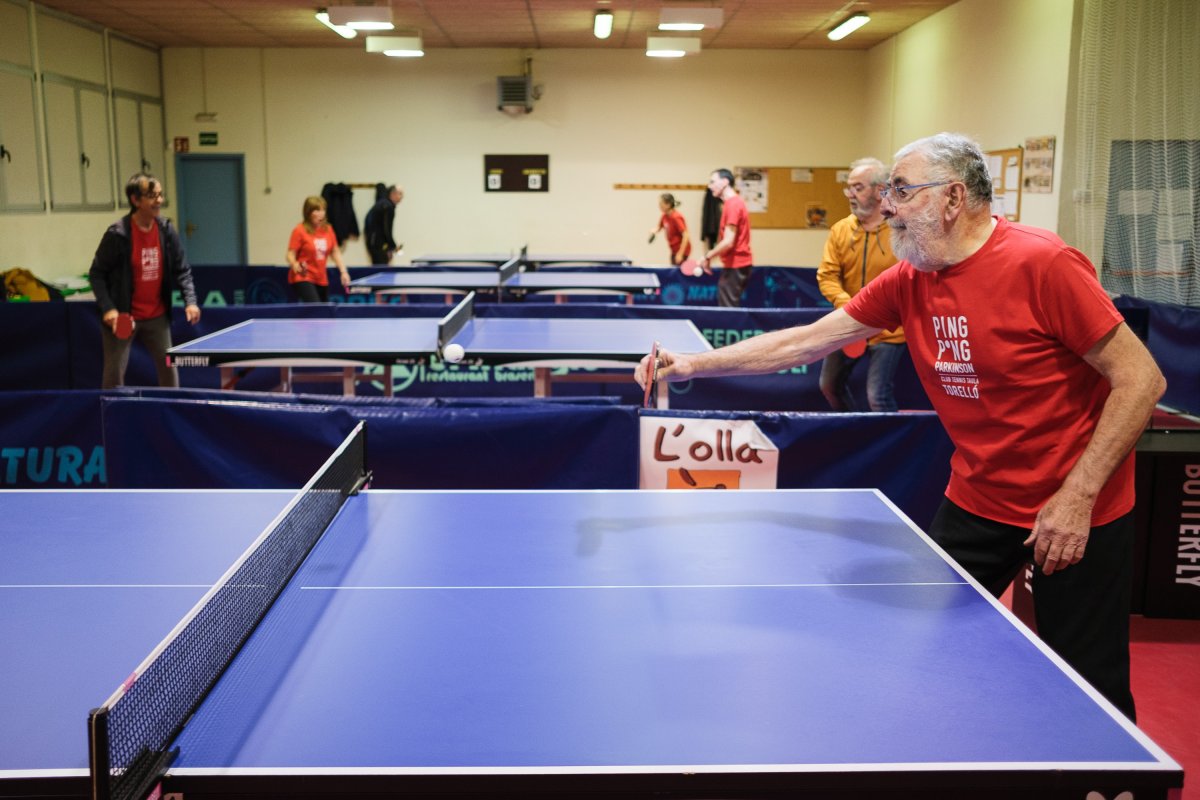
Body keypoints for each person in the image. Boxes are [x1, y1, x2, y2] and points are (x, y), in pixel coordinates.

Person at [636, 133, 1165, 720]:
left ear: (954, 197)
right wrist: (692, 364)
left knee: (1089, 680)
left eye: (902, 190)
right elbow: (807, 341)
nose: (885, 205)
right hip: (978, 500)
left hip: (1077, 507)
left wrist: (1078, 495)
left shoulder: (1043, 263)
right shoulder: (912, 277)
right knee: (922, 644)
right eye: (888, 190)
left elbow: (1141, 380)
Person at [89, 172, 201, 388]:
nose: (158, 200)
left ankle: (171, 410)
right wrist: (108, 309)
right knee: (114, 375)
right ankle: (112, 415)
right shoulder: (118, 234)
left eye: (160, 195)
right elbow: (97, 273)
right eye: (151, 196)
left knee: (169, 370)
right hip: (123, 316)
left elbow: (182, 269)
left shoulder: (166, 230)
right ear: (135, 200)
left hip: (156, 316)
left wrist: (191, 301)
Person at [817, 157, 904, 411]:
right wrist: (847, 304)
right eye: (849, 188)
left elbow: (911, 275)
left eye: (858, 187)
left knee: (877, 396)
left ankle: (886, 447)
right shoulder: (840, 230)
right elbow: (827, 275)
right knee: (829, 385)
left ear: (880, 191)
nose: (850, 194)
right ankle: (855, 432)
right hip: (848, 322)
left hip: (889, 329)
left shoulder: (900, 230)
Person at [699, 168, 753, 307]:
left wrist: (707, 256)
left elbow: (729, 241)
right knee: (728, 306)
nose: (709, 186)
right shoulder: (730, 204)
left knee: (728, 310)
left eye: (712, 182)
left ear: (724, 182)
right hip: (734, 263)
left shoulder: (733, 204)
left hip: (737, 264)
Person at [286, 195, 350, 302]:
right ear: (308, 213)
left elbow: (335, 252)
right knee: (316, 308)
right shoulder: (299, 230)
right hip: (303, 277)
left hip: (321, 278)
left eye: (323, 210)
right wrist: (294, 264)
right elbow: (290, 254)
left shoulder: (328, 229)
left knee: (322, 313)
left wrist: (343, 272)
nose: (321, 214)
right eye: (317, 210)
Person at [364, 184, 404, 265]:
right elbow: (387, 229)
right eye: (400, 193)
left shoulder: (383, 203)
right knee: (381, 267)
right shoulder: (388, 206)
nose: (402, 196)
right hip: (377, 244)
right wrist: (392, 247)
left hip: (376, 243)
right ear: (393, 194)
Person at [649, 193, 692, 265]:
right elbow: (660, 226)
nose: (659, 206)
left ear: (668, 205)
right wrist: (655, 230)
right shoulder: (665, 216)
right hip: (674, 249)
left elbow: (686, 235)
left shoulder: (676, 217)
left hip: (682, 250)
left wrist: (680, 254)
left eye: (661, 203)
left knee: (676, 272)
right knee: (673, 268)